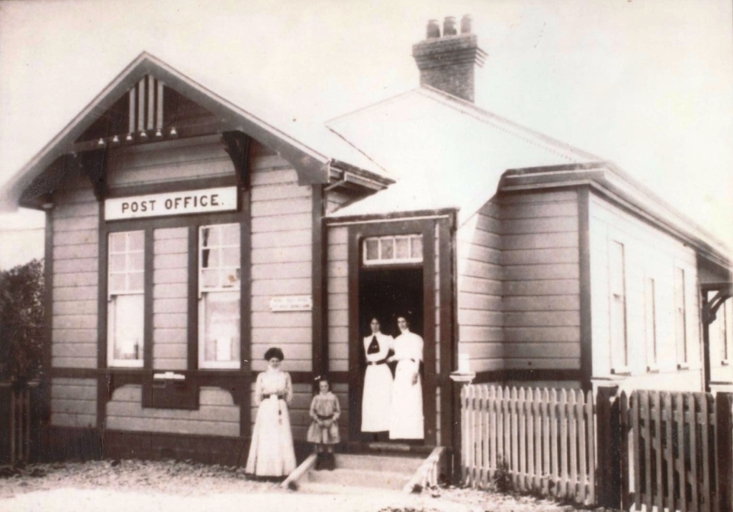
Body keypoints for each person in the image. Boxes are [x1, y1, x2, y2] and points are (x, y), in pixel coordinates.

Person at [245, 347, 296, 478]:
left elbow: (290, 393)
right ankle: (264, 471)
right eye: (273, 360)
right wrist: (263, 405)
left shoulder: (285, 375)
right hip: (267, 407)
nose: (275, 363)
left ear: (280, 361)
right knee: (267, 436)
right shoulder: (262, 376)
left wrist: (284, 403)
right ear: (268, 361)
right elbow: (257, 394)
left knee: (281, 435)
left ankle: (282, 470)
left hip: (280, 406)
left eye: (277, 360)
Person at [388, 315, 424, 440]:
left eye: (403, 321)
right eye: (399, 322)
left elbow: (417, 357)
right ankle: (400, 434)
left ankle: (413, 434)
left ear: (408, 322)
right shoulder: (397, 339)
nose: (401, 324)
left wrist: (415, 372)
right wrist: (390, 358)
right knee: (400, 400)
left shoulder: (416, 338)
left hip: (411, 368)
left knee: (411, 400)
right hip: (400, 370)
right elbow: (398, 355)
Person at [361, 317, 393, 437]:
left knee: (383, 398)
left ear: (381, 325)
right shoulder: (366, 339)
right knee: (371, 400)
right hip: (371, 371)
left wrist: (392, 358)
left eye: (377, 323)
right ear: (370, 325)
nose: (375, 325)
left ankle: (386, 430)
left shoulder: (387, 338)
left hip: (382, 370)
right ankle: (373, 431)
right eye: (372, 323)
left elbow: (399, 349)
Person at [307, 376, 341, 470]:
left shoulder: (333, 397)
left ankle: (330, 462)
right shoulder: (316, 397)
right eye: (321, 386)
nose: (323, 388)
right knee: (320, 443)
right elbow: (312, 411)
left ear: (329, 386)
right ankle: (320, 462)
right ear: (319, 387)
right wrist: (317, 420)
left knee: (330, 443)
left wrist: (332, 420)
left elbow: (338, 411)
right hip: (319, 422)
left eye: (325, 386)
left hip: (329, 422)